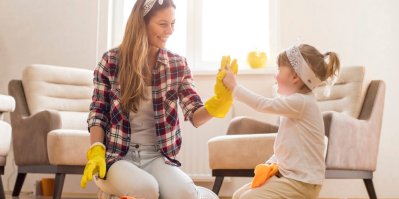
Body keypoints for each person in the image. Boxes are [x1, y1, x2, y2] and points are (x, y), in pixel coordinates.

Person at [79, 0, 237, 198]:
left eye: (173, 23)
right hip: (117, 157)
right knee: (147, 189)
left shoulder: (177, 64)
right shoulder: (111, 61)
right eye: (163, 24)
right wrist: (96, 150)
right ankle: (109, 190)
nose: (170, 30)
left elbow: (195, 114)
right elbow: (98, 112)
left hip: (157, 156)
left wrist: (219, 101)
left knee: (185, 194)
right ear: (141, 23)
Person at [222, 44, 340, 199]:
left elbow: (263, 104)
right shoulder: (295, 104)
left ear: (295, 77)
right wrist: (271, 164)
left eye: (279, 69)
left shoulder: (301, 102)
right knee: (238, 195)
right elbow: (286, 146)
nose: (275, 75)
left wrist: (234, 88)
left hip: (302, 184)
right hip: (290, 178)